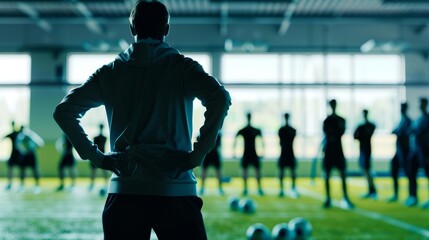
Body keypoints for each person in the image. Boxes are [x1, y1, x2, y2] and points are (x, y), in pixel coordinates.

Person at [53, 1, 231, 239]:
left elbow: (64, 112)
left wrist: (98, 158)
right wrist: (196, 155)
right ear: (166, 29)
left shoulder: (110, 71)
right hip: (174, 189)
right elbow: (220, 98)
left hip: (125, 190)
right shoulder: (182, 67)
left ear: (131, 28)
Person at [322, 99, 354, 209]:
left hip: (338, 150)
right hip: (329, 151)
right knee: (327, 175)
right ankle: (328, 198)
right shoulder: (327, 120)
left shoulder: (341, 120)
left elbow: (340, 132)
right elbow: (326, 133)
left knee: (343, 175)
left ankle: (345, 196)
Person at [233, 112, 265, 196]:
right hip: (251, 153)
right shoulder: (253, 130)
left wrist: (234, 152)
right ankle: (254, 188)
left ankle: (250, 188)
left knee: (251, 171)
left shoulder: (245, 130)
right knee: (252, 171)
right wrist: (263, 152)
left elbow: (235, 141)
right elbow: (262, 142)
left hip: (248, 153)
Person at [388, 102, 412, 202]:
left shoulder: (408, 121)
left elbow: (405, 133)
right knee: (394, 171)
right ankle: (395, 194)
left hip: (405, 150)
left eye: (402, 107)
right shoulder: (400, 121)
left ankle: (412, 195)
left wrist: (398, 132)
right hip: (398, 151)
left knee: (408, 173)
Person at [353, 109, 377, 199]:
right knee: (365, 169)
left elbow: (358, 136)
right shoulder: (362, 126)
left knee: (367, 169)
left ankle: (373, 190)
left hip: (366, 150)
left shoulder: (367, 126)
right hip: (363, 150)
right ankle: (370, 190)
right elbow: (355, 136)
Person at [411, 97, 429, 208]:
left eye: (422, 104)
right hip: (417, 151)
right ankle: (413, 196)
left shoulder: (427, 119)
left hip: (425, 152)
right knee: (411, 172)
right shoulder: (418, 119)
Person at [16, 126, 44, 193]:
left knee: (34, 170)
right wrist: (23, 150)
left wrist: (32, 148)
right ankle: (22, 185)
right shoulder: (20, 136)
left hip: (31, 154)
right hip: (24, 155)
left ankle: (37, 185)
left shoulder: (31, 135)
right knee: (22, 170)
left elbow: (40, 143)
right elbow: (17, 145)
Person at [278, 113, 298, 198]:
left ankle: (292, 187)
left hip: (289, 153)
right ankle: (282, 189)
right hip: (285, 153)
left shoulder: (288, 130)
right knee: (283, 171)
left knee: (292, 171)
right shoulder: (283, 130)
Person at [89, 123, 109, 194]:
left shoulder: (101, 138)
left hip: (99, 155)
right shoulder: (101, 138)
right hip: (100, 155)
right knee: (94, 171)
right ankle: (93, 184)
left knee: (99, 171)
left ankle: (104, 184)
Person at [3, 121, 23, 190]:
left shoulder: (20, 134)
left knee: (20, 169)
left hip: (19, 154)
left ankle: (21, 184)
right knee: (10, 169)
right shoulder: (13, 134)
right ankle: (10, 184)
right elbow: (4, 137)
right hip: (13, 154)